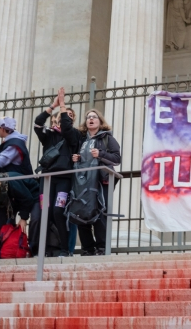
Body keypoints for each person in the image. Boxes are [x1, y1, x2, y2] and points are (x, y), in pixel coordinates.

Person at [32, 88, 79, 257]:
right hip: (47, 179)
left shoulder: (74, 135)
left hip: (64, 179)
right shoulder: (49, 135)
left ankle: (65, 249)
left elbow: (67, 129)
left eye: (70, 116)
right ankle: (42, 249)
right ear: (55, 119)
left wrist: (64, 107)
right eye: (64, 115)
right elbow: (37, 123)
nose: (67, 118)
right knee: (46, 211)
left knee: (58, 212)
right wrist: (53, 106)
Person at [71, 109, 121, 256]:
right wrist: (77, 158)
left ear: (100, 121)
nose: (91, 119)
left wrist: (101, 154)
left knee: (100, 211)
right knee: (81, 211)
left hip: (101, 180)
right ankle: (87, 247)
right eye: (88, 117)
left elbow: (117, 158)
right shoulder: (82, 140)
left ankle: (101, 247)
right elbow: (82, 159)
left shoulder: (107, 138)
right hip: (83, 182)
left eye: (94, 117)